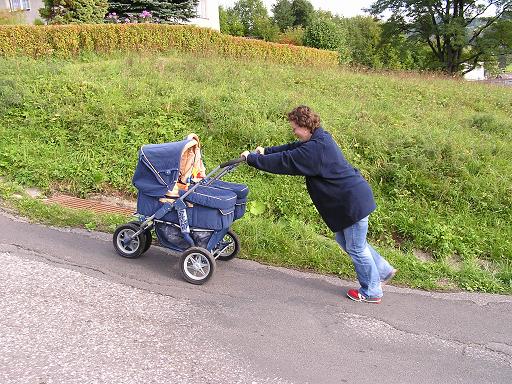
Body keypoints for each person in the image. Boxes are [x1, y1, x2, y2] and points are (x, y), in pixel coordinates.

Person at [240, 105, 396, 304]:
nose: (294, 131)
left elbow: (286, 161)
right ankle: (383, 270)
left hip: (352, 203)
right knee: (345, 241)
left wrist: (252, 160)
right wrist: (266, 152)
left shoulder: (315, 150)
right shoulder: (318, 139)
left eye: (295, 128)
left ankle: (372, 291)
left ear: (305, 126)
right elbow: (291, 149)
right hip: (351, 199)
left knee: (356, 248)